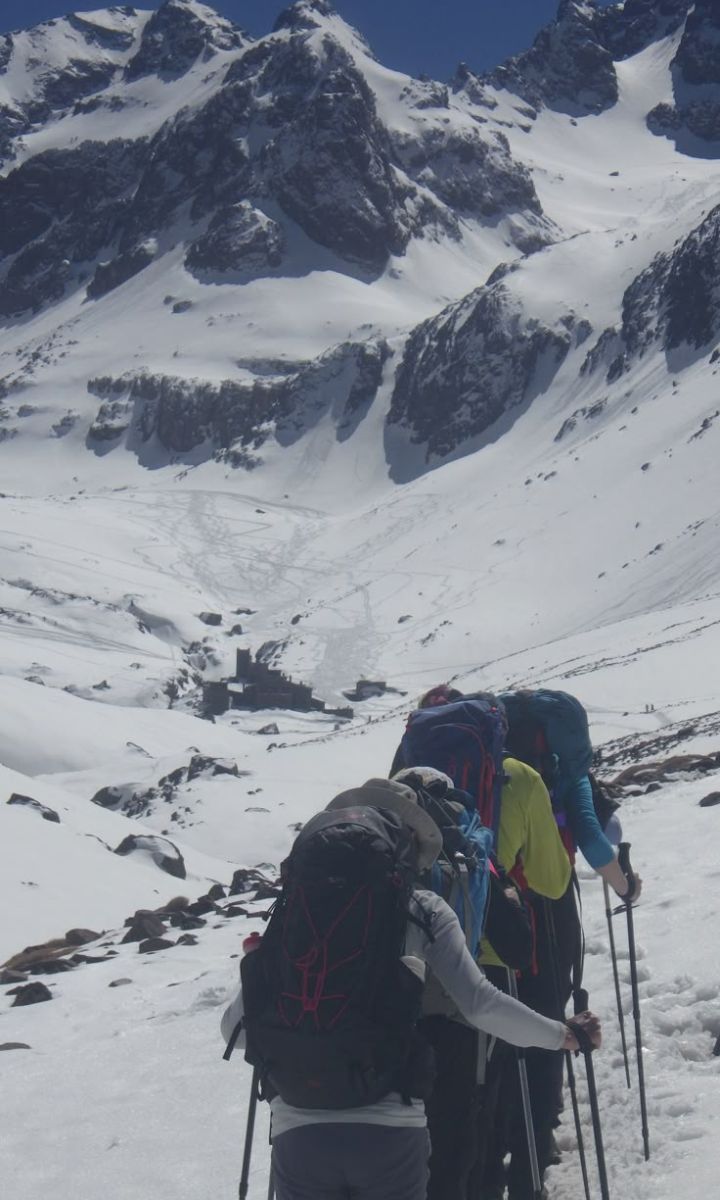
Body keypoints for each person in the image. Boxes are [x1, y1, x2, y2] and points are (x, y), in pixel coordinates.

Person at [221, 779, 601, 1200]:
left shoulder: (292, 913)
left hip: (297, 1130)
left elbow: (233, 1032)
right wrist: (560, 1035)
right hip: (389, 1128)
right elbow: (479, 1004)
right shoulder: (422, 908)